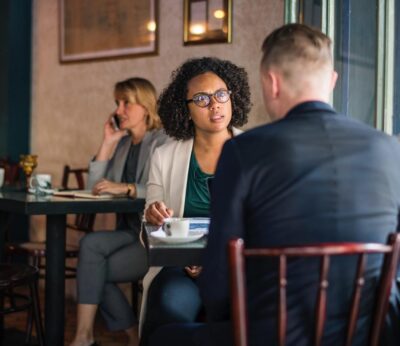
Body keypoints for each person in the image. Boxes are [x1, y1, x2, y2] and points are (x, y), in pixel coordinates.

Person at [149, 24, 400, 346]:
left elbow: (219, 281)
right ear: (333, 80)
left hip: (273, 334)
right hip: (370, 333)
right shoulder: (389, 149)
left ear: (271, 82)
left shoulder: (245, 151)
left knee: (164, 337)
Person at [140, 57, 251, 345]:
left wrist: (218, 264)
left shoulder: (256, 151)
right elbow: (150, 223)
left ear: (231, 99)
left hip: (240, 268)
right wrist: (153, 214)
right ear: (185, 110)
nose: (214, 104)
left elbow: (266, 225)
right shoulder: (164, 156)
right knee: (167, 307)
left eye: (221, 94)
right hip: (180, 266)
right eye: (201, 98)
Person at [69, 77, 169, 346]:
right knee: (89, 245)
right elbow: (95, 190)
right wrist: (107, 142)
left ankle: (91, 337)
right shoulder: (124, 144)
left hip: (152, 237)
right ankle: (90, 336)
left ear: (146, 107)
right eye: (117, 103)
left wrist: (126, 188)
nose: (118, 110)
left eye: (127, 103)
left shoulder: (163, 141)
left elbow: (164, 189)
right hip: (127, 232)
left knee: (93, 269)